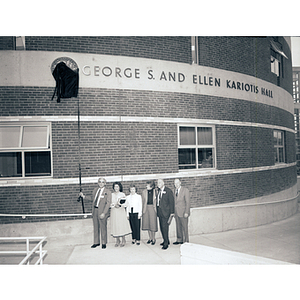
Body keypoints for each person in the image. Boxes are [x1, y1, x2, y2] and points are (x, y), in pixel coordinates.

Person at [79, 177, 111, 249]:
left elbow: (108, 203)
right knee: (96, 227)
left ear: (105, 183)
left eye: (102, 182)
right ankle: (96, 242)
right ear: (98, 183)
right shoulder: (95, 190)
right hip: (95, 211)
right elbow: (92, 199)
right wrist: (84, 196)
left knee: (103, 227)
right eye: (99, 182)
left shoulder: (107, 192)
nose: (101, 183)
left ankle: (103, 242)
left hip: (102, 212)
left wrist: (104, 213)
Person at [110, 182, 132, 247]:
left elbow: (126, 203)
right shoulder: (111, 195)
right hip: (114, 212)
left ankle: (123, 239)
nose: (116, 188)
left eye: (117, 186)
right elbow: (109, 203)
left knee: (121, 225)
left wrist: (120, 205)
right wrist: (114, 205)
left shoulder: (122, 194)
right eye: (115, 186)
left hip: (121, 212)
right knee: (115, 225)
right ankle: (117, 240)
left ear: (120, 187)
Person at [156, 178, 175, 250]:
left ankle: (166, 243)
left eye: (160, 182)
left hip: (166, 213)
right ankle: (165, 240)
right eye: (158, 183)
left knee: (165, 228)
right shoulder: (158, 191)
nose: (158, 184)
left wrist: (172, 213)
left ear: (163, 183)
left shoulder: (168, 191)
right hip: (160, 213)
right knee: (162, 227)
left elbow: (171, 202)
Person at [173, 178, 190, 244]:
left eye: (177, 183)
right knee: (178, 226)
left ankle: (186, 241)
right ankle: (179, 239)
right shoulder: (174, 191)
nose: (176, 185)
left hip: (183, 212)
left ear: (180, 182)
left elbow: (188, 202)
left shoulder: (185, 190)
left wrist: (186, 212)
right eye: (175, 183)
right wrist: (174, 212)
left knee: (184, 227)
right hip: (177, 212)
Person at [141, 180, 158, 245]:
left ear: (151, 185)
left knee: (152, 224)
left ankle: (153, 238)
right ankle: (150, 238)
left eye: (147, 185)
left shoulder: (155, 191)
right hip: (146, 209)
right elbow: (142, 202)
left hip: (153, 209)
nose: (146, 186)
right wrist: (142, 211)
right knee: (147, 224)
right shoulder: (144, 192)